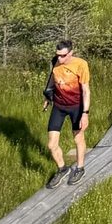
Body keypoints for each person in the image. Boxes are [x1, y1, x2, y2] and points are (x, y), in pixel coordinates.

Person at [43, 39, 92, 188]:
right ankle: (62, 169)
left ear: (71, 53)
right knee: (51, 145)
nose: (60, 59)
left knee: (78, 138)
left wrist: (85, 113)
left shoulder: (81, 65)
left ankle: (80, 168)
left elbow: (85, 90)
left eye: (63, 56)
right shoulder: (56, 62)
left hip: (76, 106)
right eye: (58, 55)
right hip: (59, 106)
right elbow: (52, 78)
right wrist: (47, 96)